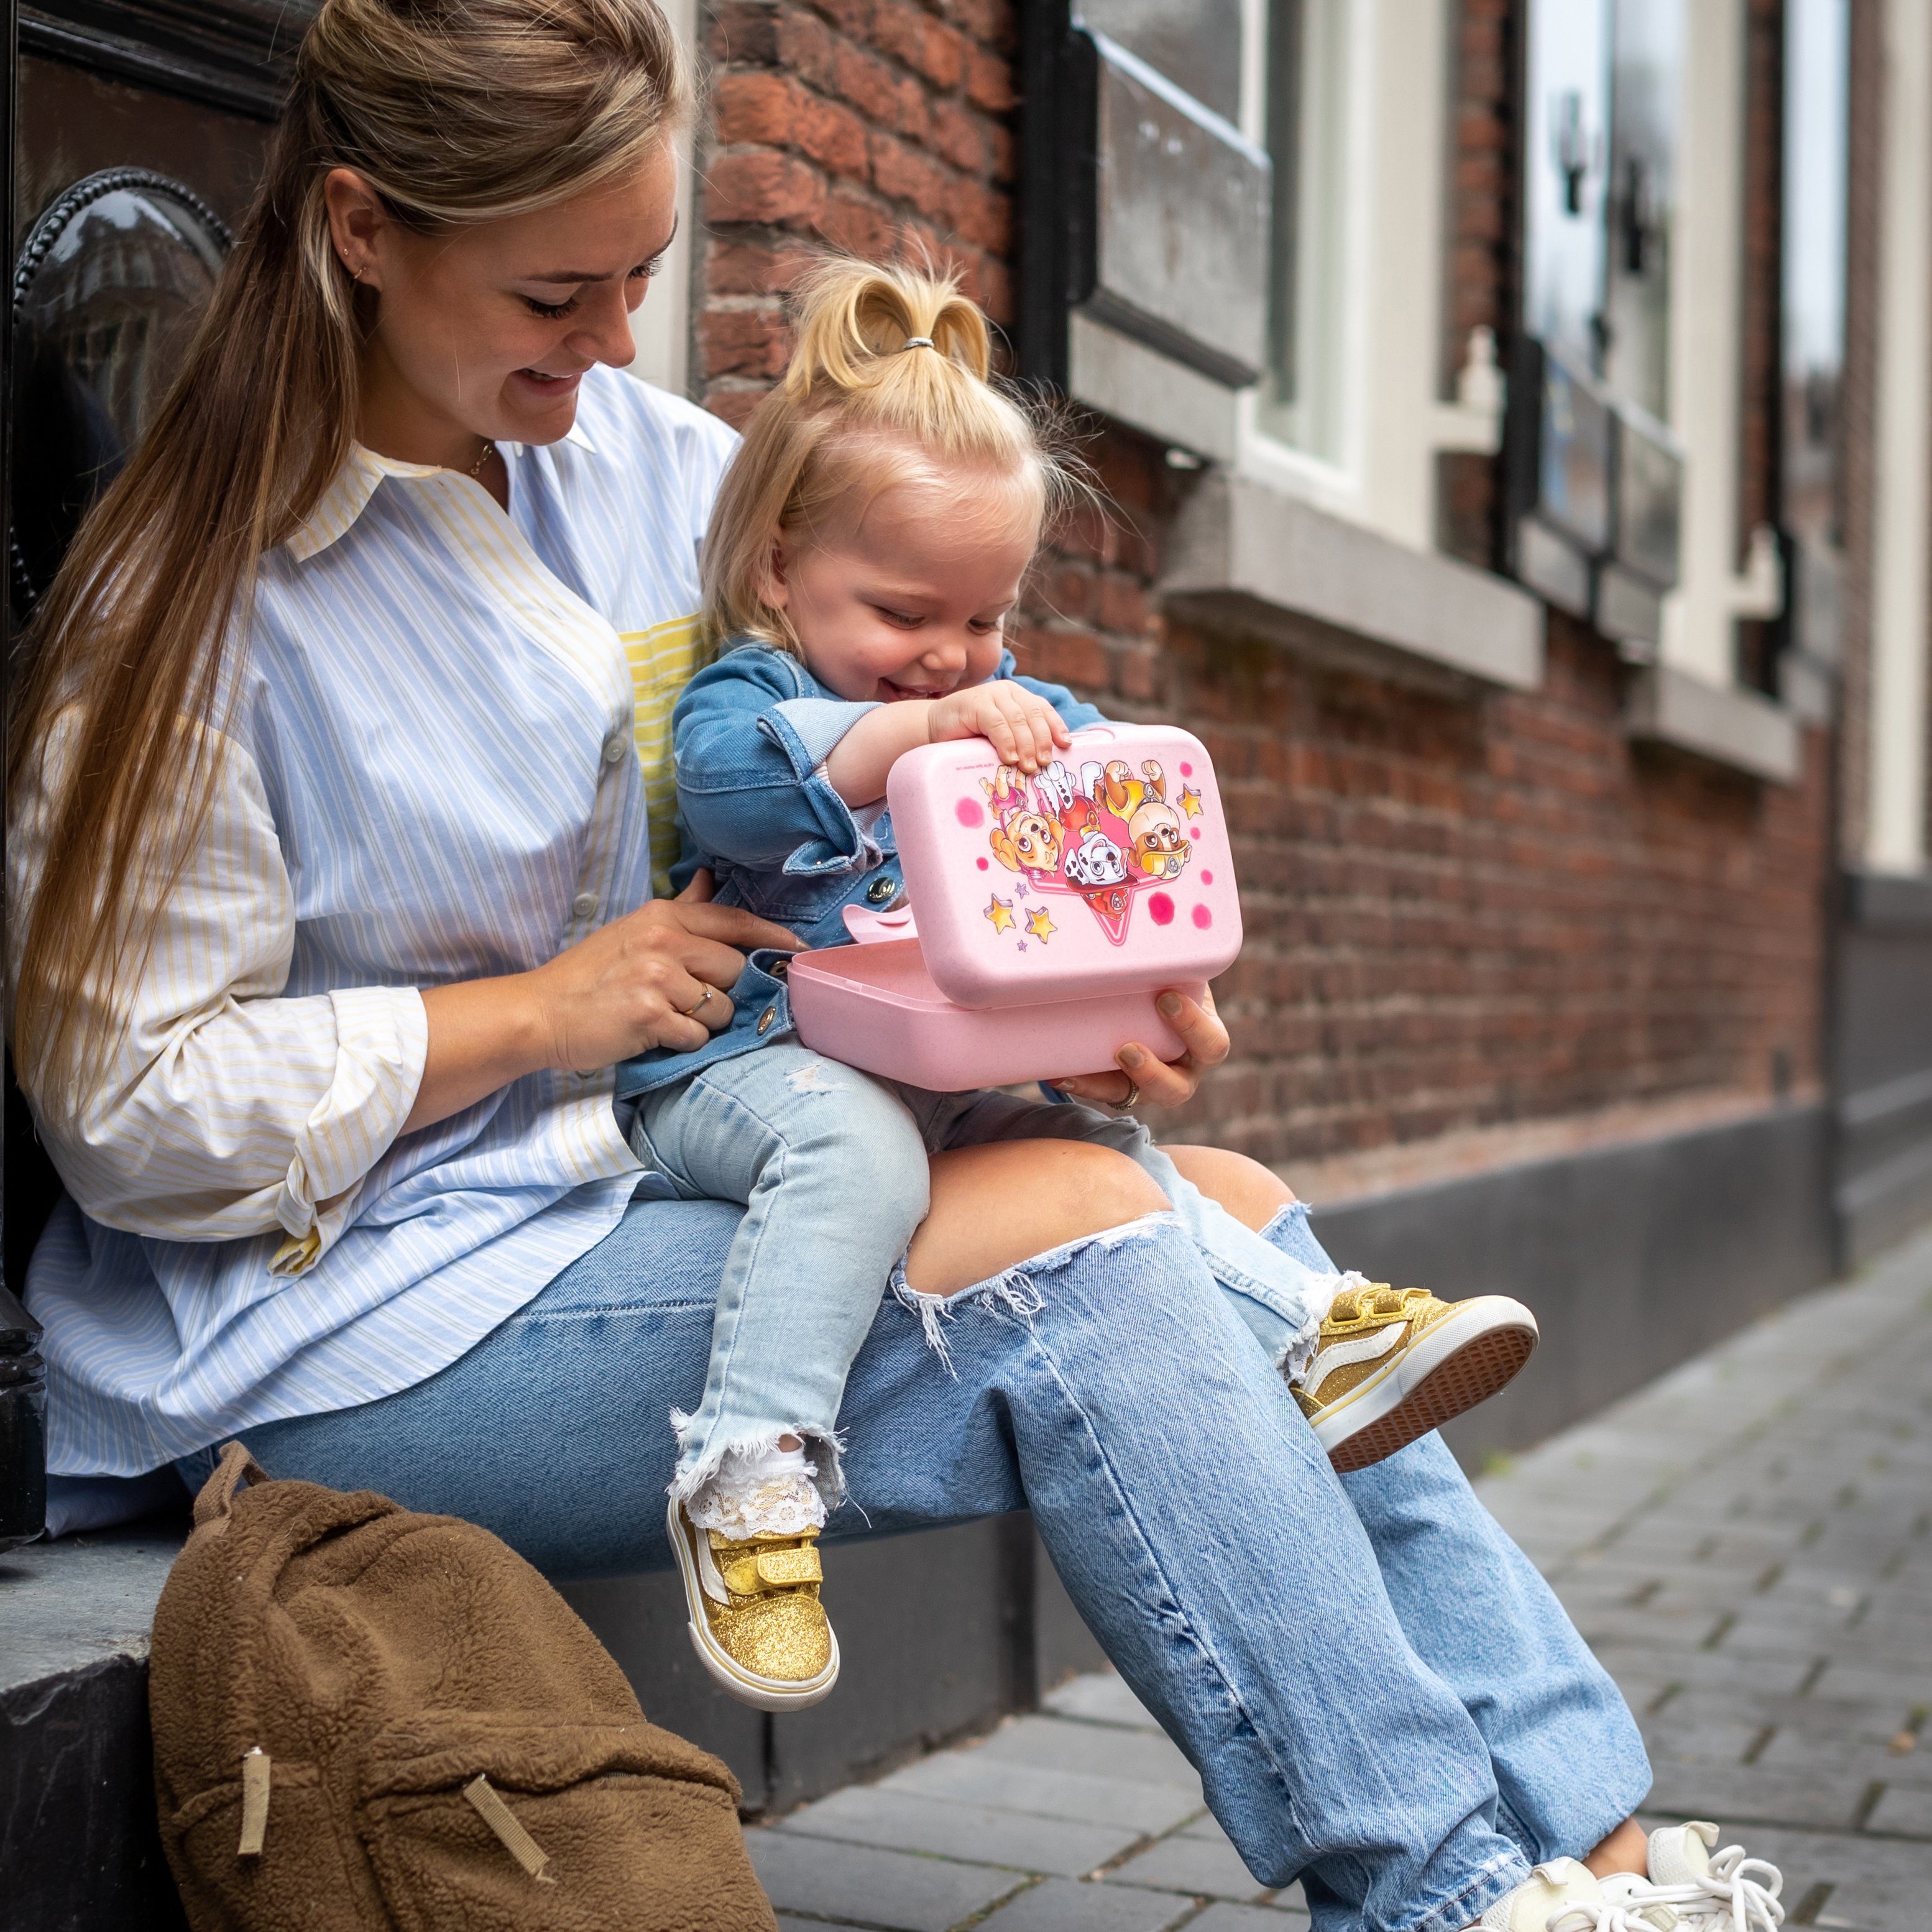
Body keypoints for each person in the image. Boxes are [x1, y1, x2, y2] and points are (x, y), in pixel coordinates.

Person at [3, 2, 1785, 1927]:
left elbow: (893, 724)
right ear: (361, 228)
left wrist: (1075, 984)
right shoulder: (189, 605)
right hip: (351, 1309)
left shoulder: (662, 473)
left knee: (1245, 1228)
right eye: (559, 291)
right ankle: (1441, 1891)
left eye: (645, 280)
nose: (616, 343)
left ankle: (1593, 1848)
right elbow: (130, 1109)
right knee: (1103, 1262)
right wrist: (539, 1009)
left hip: (680, 1150)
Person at [625, 253, 1540, 1713]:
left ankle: (1314, 1329)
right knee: (855, 1151)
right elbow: (736, 796)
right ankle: (746, 1478)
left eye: (984, 624)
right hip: (738, 1068)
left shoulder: (1006, 708)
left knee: (1105, 1148)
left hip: (931, 1068)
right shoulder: (755, 691)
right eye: (902, 614)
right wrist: (908, 742)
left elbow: (1108, 809)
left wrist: (1132, 958)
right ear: (776, 574)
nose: (945, 660)